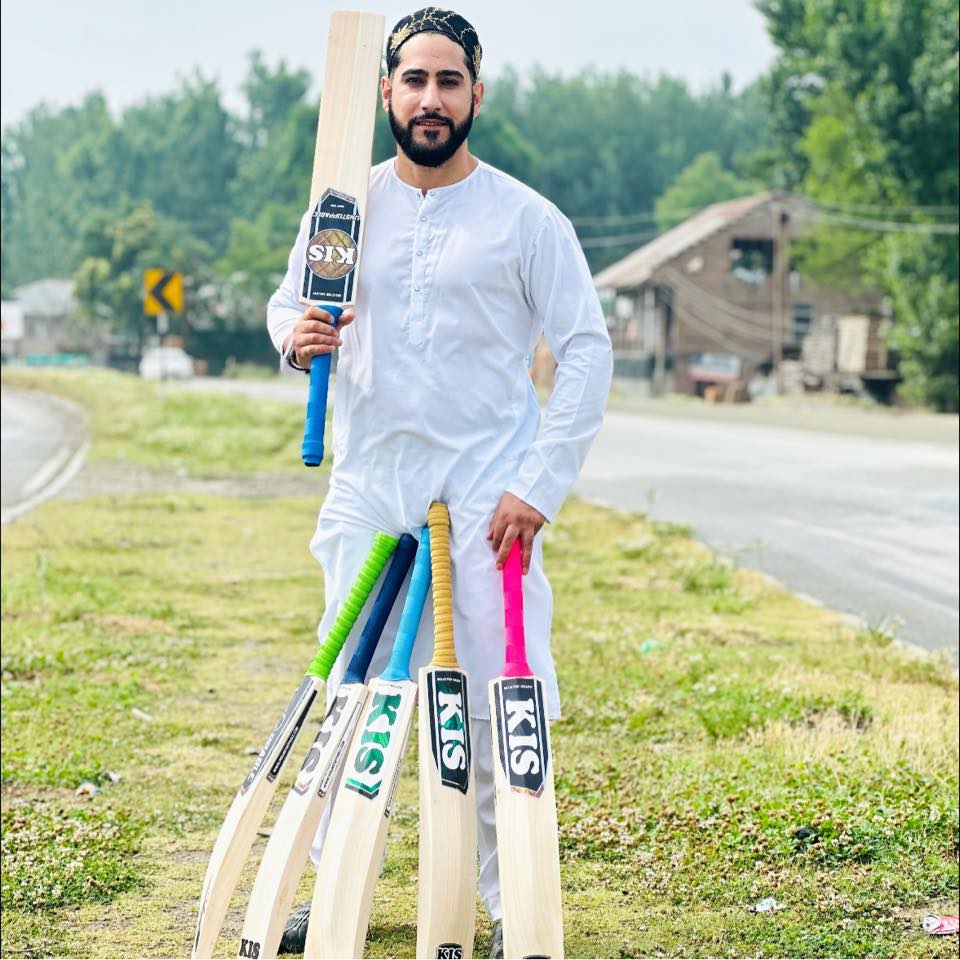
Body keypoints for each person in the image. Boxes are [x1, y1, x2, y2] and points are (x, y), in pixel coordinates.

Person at [266, 7, 612, 956]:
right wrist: (293, 340)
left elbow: (585, 351)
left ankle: (509, 913)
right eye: (412, 81)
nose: (429, 99)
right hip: (370, 494)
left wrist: (538, 486)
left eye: (447, 82)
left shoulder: (525, 217)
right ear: (385, 92)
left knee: (502, 716)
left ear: (475, 95)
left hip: (485, 506)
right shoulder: (343, 206)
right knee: (355, 702)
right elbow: (290, 301)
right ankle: (333, 892)